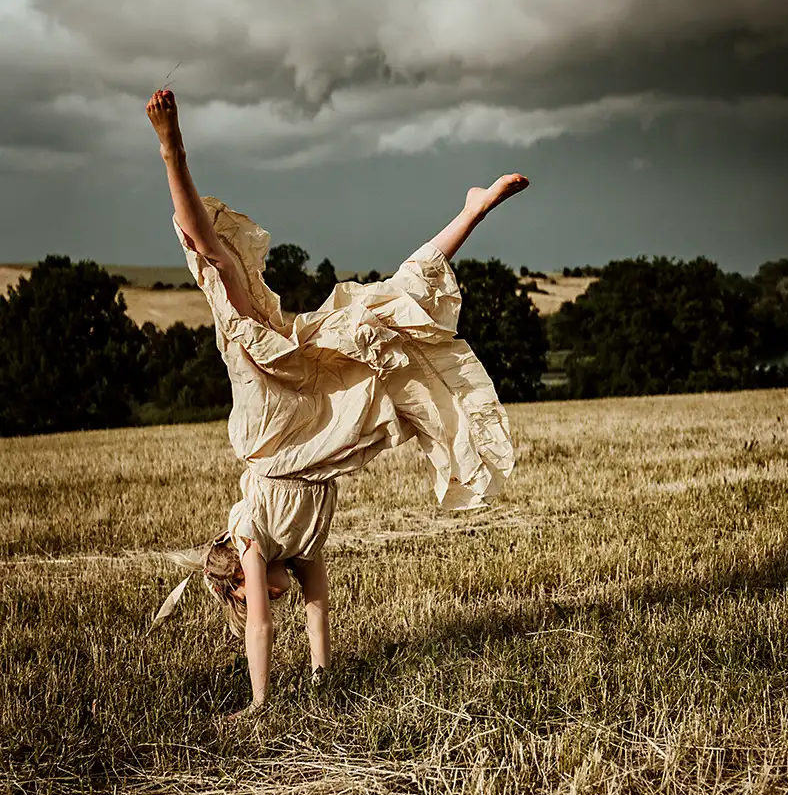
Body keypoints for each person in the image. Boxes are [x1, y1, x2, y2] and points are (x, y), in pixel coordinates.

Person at [146, 88, 528, 717]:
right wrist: (322, 682)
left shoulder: (248, 542)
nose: (276, 598)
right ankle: (474, 209)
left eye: (259, 597)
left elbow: (262, 631)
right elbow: (318, 608)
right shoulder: (301, 543)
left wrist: (260, 705)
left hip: (272, 416)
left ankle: (172, 150)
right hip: (313, 427)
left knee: (215, 263)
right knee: (390, 314)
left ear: (240, 590)